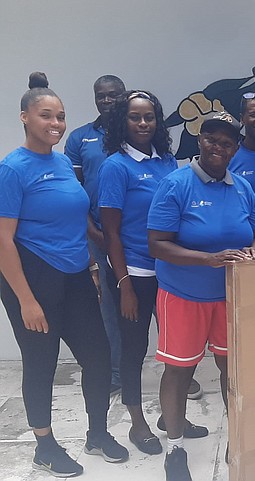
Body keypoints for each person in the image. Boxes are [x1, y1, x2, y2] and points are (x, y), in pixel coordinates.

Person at [0, 72, 128, 477]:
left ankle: (97, 433)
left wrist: (92, 265)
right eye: (45, 116)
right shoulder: (11, 169)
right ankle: (45, 445)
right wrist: (26, 300)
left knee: (98, 355)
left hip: (75, 275)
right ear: (24, 117)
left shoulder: (60, 161)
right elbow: (3, 240)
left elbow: (76, 220)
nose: (55, 124)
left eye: (61, 117)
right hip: (33, 277)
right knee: (42, 363)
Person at [148, 109, 255, 481]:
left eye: (227, 142)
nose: (218, 146)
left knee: (233, 374)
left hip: (232, 299)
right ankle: (175, 447)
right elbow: (157, 245)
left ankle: (238, 438)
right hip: (183, 295)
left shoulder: (242, 187)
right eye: (212, 138)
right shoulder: (176, 184)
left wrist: (254, 250)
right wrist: (207, 259)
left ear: (235, 148)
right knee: (179, 372)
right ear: (200, 140)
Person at [99, 90, 203, 456]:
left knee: (180, 350)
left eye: (149, 117)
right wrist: (124, 284)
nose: (143, 124)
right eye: (134, 117)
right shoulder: (115, 166)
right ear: (122, 122)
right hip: (136, 275)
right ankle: (137, 421)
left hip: (170, 273)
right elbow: (110, 232)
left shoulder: (168, 162)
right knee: (134, 348)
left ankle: (173, 417)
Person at [65, 74, 126, 395]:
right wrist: (91, 230)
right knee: (107, 306)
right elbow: (74, 191)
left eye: (114, 95)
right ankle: (115, 372)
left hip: (135, 236)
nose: (107, 101)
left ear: (124, 95)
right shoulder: (79, 138)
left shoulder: (136, 132)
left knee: (157, 303)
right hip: (97, 235)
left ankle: (179, 369)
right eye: (101, 96)